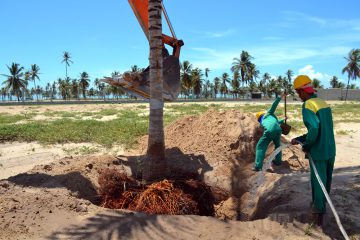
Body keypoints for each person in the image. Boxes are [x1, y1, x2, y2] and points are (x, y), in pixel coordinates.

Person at [290, 75, 336, 226]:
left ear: (303, 91)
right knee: (326, 181)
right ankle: (322, 209)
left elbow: (315, 128)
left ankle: (317, 218)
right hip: (330, 149)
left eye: (298, 92)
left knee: (318, 183)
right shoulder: (322, 103)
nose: (298, 96)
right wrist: (301, 138)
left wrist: (307, 145)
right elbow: (322, 128)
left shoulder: (308, 105)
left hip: (319, 151)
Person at [254, 94, 286, 171]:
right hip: (278, 129)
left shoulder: (266, 116)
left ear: (259, 118)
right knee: (278, 145)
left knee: (260, 146)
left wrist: (279, 97)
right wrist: (283, 119)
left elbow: (273, 106)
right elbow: (276, 122)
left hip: (270, 130)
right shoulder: (269, 116)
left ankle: (258, 166)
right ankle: (278, 162)